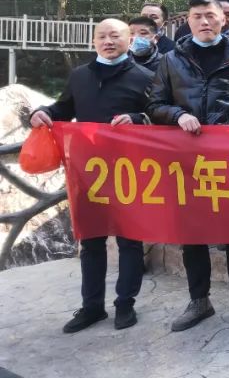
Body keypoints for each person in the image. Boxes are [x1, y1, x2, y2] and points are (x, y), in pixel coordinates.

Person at [30, 19, 153, 333]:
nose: (108, 41)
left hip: (129, 172)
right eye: (102, 36)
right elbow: (62, 108)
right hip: (87, 171)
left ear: (129, 40)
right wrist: (42, 112)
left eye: (115, 36)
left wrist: (138, 118)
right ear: (94, 41)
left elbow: (159, 115)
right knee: (91, 241)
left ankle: (125, 304)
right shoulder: (80, 76)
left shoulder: (145, 77)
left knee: (130, 241)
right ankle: (92, 307)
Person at [147, 0, 229, 331]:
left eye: (210, 15)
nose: (204, 21)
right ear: (188, 21)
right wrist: (177, 114)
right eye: (197, 16)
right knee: (192, 233)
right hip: (187, 160)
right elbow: (154, 105)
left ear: (223, 19)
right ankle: (199, 301)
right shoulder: (171, 60)